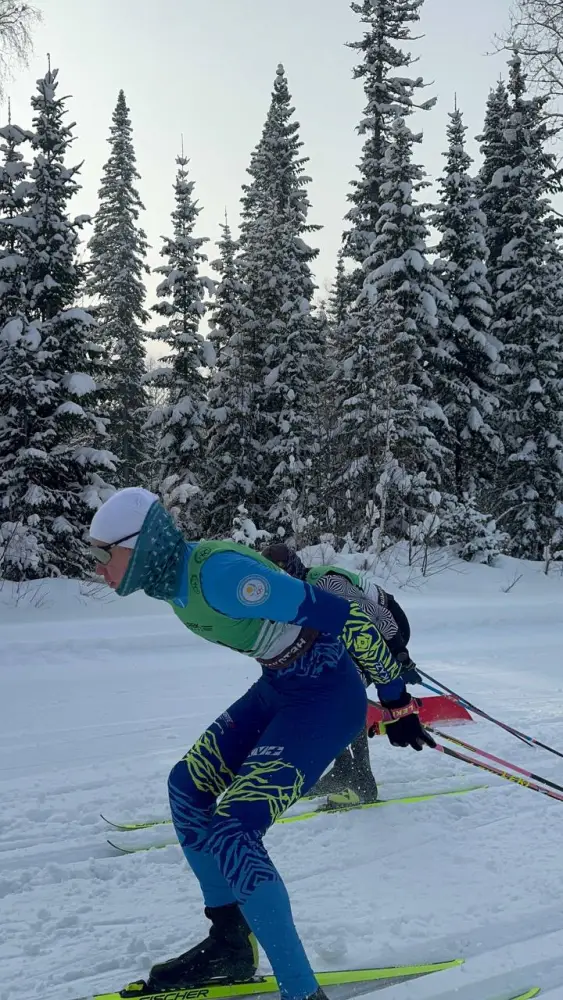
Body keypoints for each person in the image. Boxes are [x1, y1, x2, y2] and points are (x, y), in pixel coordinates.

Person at [89, 488, 435, 1000]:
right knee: (187, 787)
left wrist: (396, 700)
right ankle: (229, 943)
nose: (98, 568)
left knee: (234, 833)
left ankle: (302, 992)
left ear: (138, 546)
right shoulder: (174, 580)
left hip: (326, 697)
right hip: (283, 685)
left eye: (102, 555)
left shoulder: (221, 576)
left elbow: (347, 617)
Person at [261, 543, 421, 806]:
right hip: (355, 633)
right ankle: (344, 768)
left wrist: (400, 655)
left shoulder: (324, 584)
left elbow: (376, 616)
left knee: (347, 692)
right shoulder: (297, 595)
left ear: (292, 570)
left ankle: (361, 781)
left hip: (389, 627)